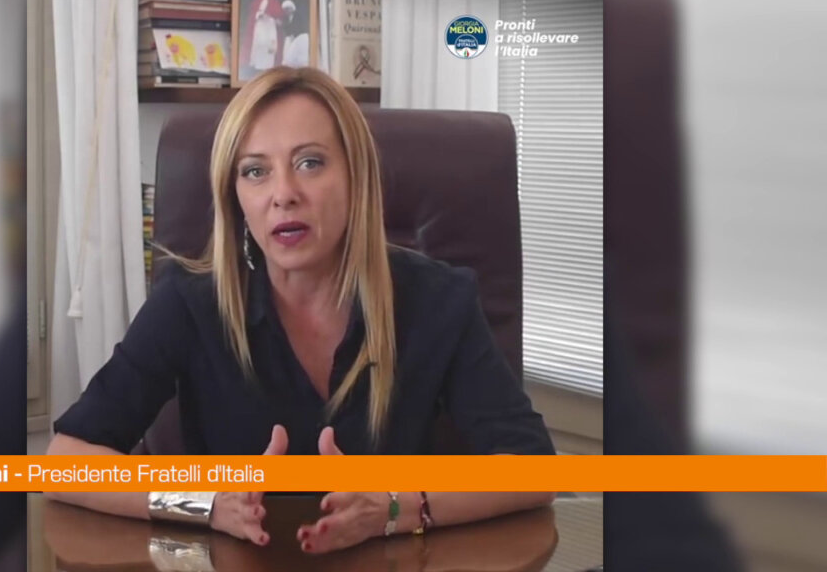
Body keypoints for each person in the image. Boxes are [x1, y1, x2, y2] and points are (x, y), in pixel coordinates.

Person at [46, 66, 556, 554]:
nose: (283, 195)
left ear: (356, 176)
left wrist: (398, 507)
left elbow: (534, 469)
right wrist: (205, 502)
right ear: (235, 197)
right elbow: (65, 462)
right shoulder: (189, 302)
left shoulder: (437, 299)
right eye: (255, 171)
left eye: (310, 163)